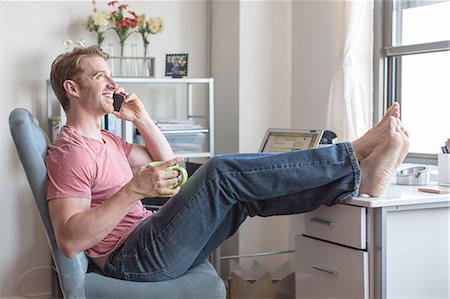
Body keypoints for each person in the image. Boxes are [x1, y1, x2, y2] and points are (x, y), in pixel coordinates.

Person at [46, 46, 409, 282]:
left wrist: (141, 118)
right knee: (220, 172)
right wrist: (132, 191)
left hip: (149, 238)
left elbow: (172, 166)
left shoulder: (107, 140)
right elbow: (69, 239)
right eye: (100, 76)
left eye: (111, 75)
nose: (112, 83)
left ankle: (357, 180)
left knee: (242, 194)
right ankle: (352, 153)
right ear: (72, 89)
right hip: (132, 258)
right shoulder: (71, 151)